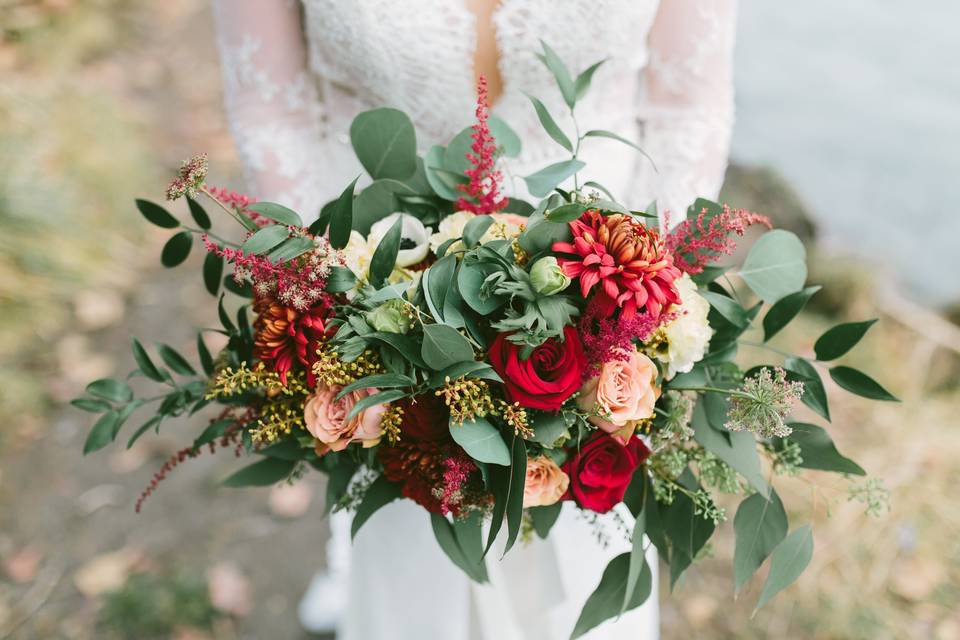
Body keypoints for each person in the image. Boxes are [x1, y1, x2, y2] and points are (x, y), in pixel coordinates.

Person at [212, 1, 736, 638]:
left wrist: (650, 294)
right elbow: (276, 110)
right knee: (414, 567)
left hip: (603, 313)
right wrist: (338, 292)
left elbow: (687, 107)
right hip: (385, 315)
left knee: (582, 571)